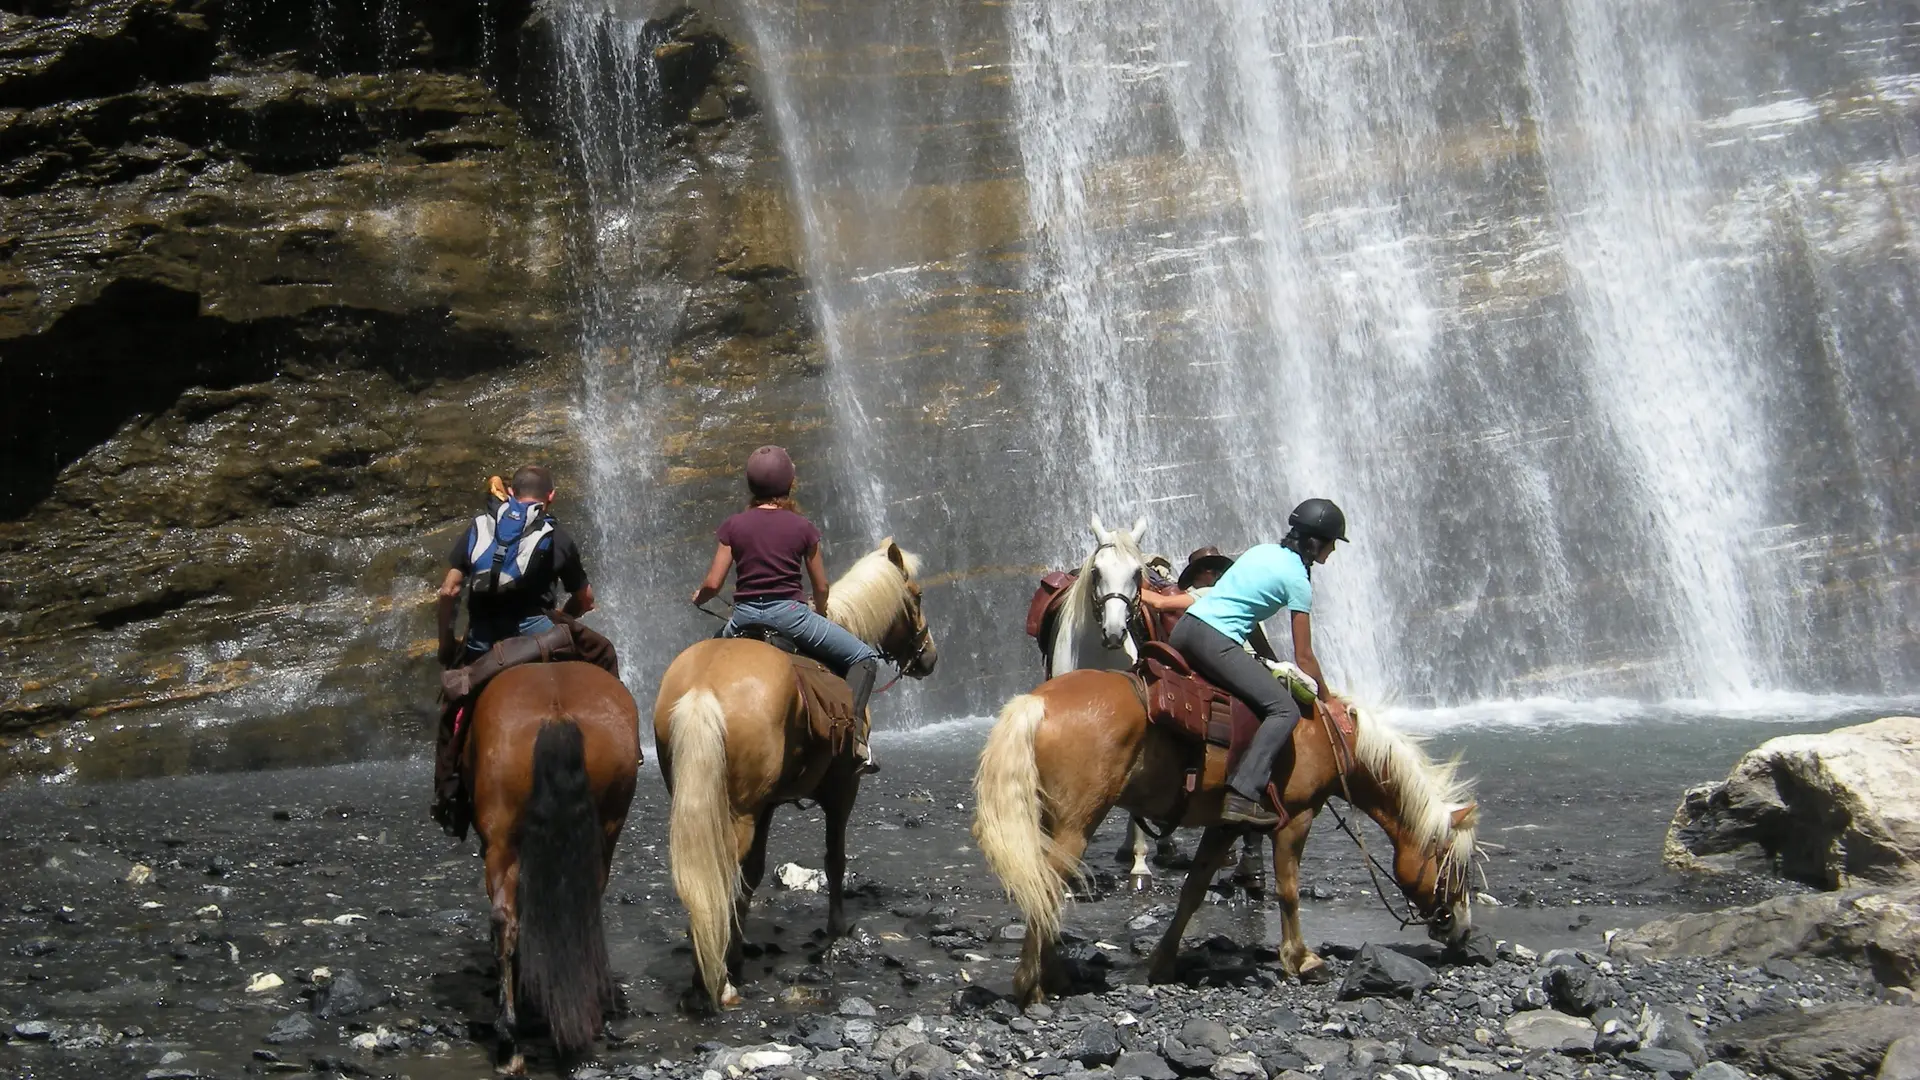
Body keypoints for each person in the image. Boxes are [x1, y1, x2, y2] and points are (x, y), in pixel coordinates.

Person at [1139, 499, 1353, 827]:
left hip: (1185, 629)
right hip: (1214, 641)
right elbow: (1305, 656)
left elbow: (1245, 613)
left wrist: (1267, 660)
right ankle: (1243, 793)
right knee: (1284, 710)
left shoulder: (1262, 552)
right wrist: (1328, 699)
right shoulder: (1298, 580)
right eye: (1333, 544)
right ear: (1317, 541)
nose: (1333, 552)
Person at [431, 465, 613, 837]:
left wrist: (447, 642)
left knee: (454, 706)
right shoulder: (555, 532)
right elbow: (585, 598)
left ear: (511, 493)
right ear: (551, 497)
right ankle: (621, 750)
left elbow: (449, 590)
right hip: (537, 636)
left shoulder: (480, 526)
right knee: (604, 652)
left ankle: (448, 794)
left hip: (483, 642)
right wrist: (565, 619)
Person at [692, 446, 881, 773]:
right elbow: (821, 586)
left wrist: (699, 598)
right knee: (865, 658)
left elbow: (713, 583)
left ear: (751, 486)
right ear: (789, 485)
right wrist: (820, 612)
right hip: (791, 617)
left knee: (702, 661)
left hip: (743, 618)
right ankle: (855, 739)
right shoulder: (802, 528)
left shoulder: (733, 526)